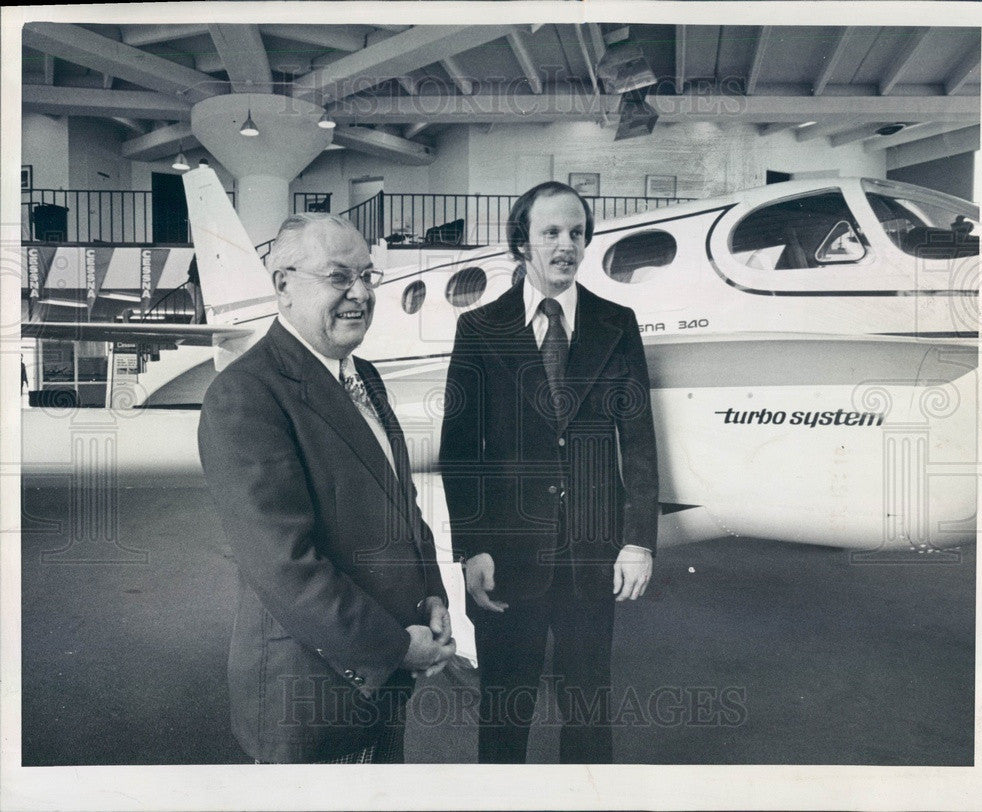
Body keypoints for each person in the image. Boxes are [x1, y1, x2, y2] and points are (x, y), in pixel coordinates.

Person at [198, 213, 454, 764]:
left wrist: (433, 593)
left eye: (368, 276)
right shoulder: (245, 394)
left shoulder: (362, 374)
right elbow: (285, 565)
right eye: (339, 277)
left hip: (381, 683)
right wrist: (397, 647)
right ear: (283, 285)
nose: (360, 293)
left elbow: (400, 504)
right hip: (313, 697)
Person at [439, 181, 660, 764]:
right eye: (551, 233)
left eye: (577, 233)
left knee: (588, 704)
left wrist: (638, 539)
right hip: (508, 553)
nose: (567, 246)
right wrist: (472, 547)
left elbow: (637, 441)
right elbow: (461, 451)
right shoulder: (480, 330)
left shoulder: (617, 323)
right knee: (505, 708)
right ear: (522, 242)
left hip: (592, 548)